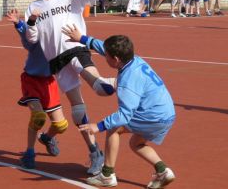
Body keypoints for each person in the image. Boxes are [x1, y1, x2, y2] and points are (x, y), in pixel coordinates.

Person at [25, 0, 115, 175]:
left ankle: (125, 82)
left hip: (75, 50)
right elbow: (32, 39)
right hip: (56, 62)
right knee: (78, 111)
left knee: (101, 88)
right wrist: (30, 22)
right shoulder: (33, 7)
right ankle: (95, 152)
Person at [61, 27, 176, 188]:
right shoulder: (134, 59)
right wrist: (83, 39)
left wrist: (98, 126)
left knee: (113, 128)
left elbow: (125, 115)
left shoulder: (127, 82)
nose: (104, 56)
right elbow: (104, 47)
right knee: (136, 143)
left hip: (153, 115)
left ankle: (107, 175)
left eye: (106, 56)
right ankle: (163, 171)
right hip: (167, 113)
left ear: (115, 59)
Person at [6, 8, 69, 169]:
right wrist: (17, 22)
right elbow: (26, 33)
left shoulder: (58, 39)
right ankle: (29, 153)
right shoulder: (34, 38)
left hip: (49, 82)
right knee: (38, 117)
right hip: (32, 81)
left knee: (61, 125)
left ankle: (47, 138)